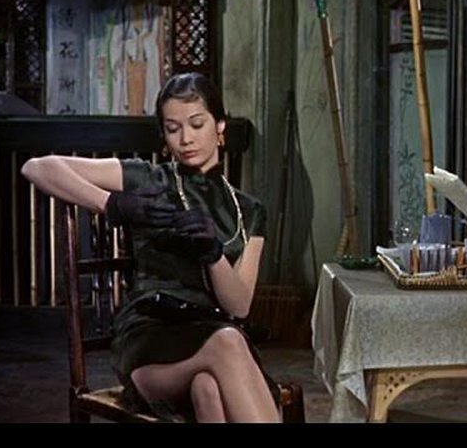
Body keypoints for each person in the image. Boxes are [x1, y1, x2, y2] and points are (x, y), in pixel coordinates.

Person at [21, 72, 280, 423]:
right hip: (149, 342)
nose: (186, 138)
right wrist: (112, 204)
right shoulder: (150, 178)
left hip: (211, 336)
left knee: (208, 387)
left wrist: (213, 254)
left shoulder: (249, 210)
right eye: (173, 129)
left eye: (197, 124)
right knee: (229, 343)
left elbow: (239, 305)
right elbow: (37, 168)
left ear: (220, 126)